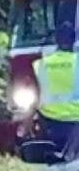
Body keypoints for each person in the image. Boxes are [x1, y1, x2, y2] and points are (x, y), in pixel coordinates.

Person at [23, 22, 79, 152]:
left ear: (57, 40)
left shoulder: (41, 64)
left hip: (51, 123)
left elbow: (34, 100)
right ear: (74, 40)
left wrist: (26, 126)